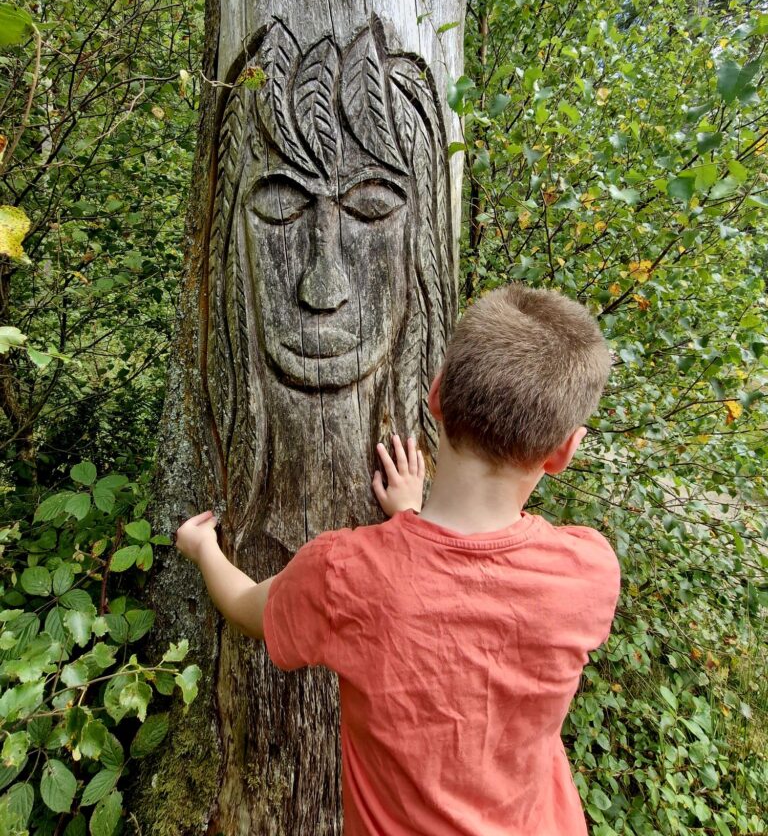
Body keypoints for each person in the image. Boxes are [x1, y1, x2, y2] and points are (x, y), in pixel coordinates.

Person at [175, 283, 621, 836]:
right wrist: (409, 519)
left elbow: (247, 608)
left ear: (435, 395)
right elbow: (471, 596)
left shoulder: (346, 574)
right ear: (564, 450)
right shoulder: (588, 572)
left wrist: (203, 547)